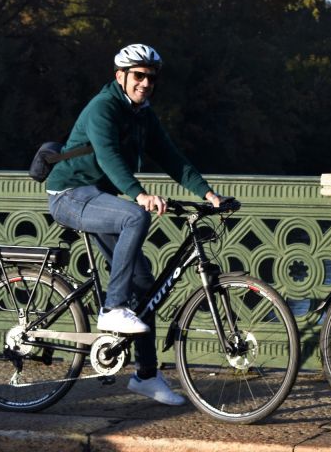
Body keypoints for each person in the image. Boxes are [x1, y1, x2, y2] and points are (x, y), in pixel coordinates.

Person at [46, 44, 224, 406]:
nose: (145, 83)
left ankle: (146, 375)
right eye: (138, 76)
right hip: (70, 194)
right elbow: (109, 156)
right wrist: (138, 194)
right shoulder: (103, 107)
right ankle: (112, 309)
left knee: (144, 283)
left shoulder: (144, 114)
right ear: (120, 77)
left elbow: (172, 157)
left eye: (150, 77)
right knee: (135, 214)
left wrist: (208, 194)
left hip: (99, 199)